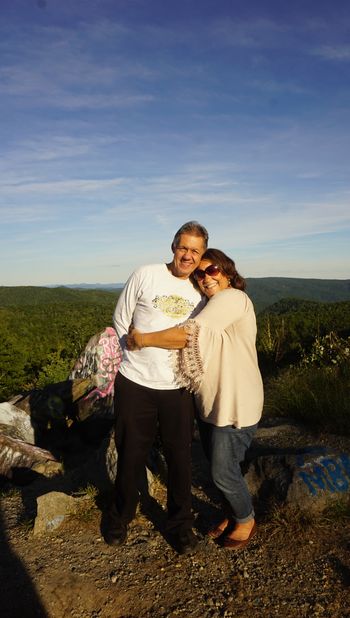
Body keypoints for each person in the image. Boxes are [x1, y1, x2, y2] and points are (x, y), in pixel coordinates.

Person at [127, 248, 264, 550]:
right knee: (223, 466)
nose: (205, 277)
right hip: (213, 403)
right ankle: (231, 513)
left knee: (222, 471)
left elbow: (191, 334)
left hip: (236, 403)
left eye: (212, 270)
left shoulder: (233, 299)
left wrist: (142, 339)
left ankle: (246, 518)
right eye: (199, 274)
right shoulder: (210, 304)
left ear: (228, 272)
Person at [105, 221, 209, 554]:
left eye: (195, 250)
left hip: (177, 386)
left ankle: (180, 525)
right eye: (183, 247)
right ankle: (120, 517)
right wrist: (132, 354)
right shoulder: (146, 274)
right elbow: (122, 317)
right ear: (173, 246)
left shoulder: (201, 288)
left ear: (202, 254)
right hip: (135, 381)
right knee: (131, 453)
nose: (188, 255)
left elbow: (198, 335)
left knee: (179, 456)